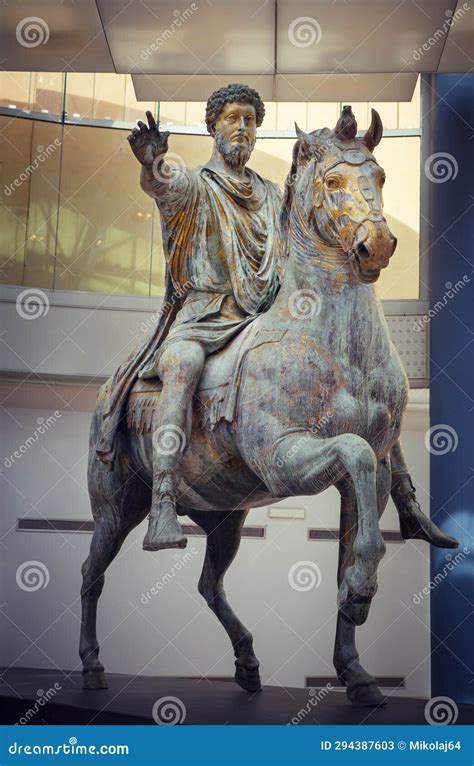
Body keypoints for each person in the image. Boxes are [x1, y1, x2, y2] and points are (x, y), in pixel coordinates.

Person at [125, 83, 281, 551]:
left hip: (260, 317)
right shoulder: (195, 184)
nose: (242, 127)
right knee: (184, 365)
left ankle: (399, 485)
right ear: (213, 126)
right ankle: (163, 503)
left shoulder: (273, 195)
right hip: (204, 314)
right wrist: (152, 162)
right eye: (233, 118)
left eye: (250, 120)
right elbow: (162, 185)